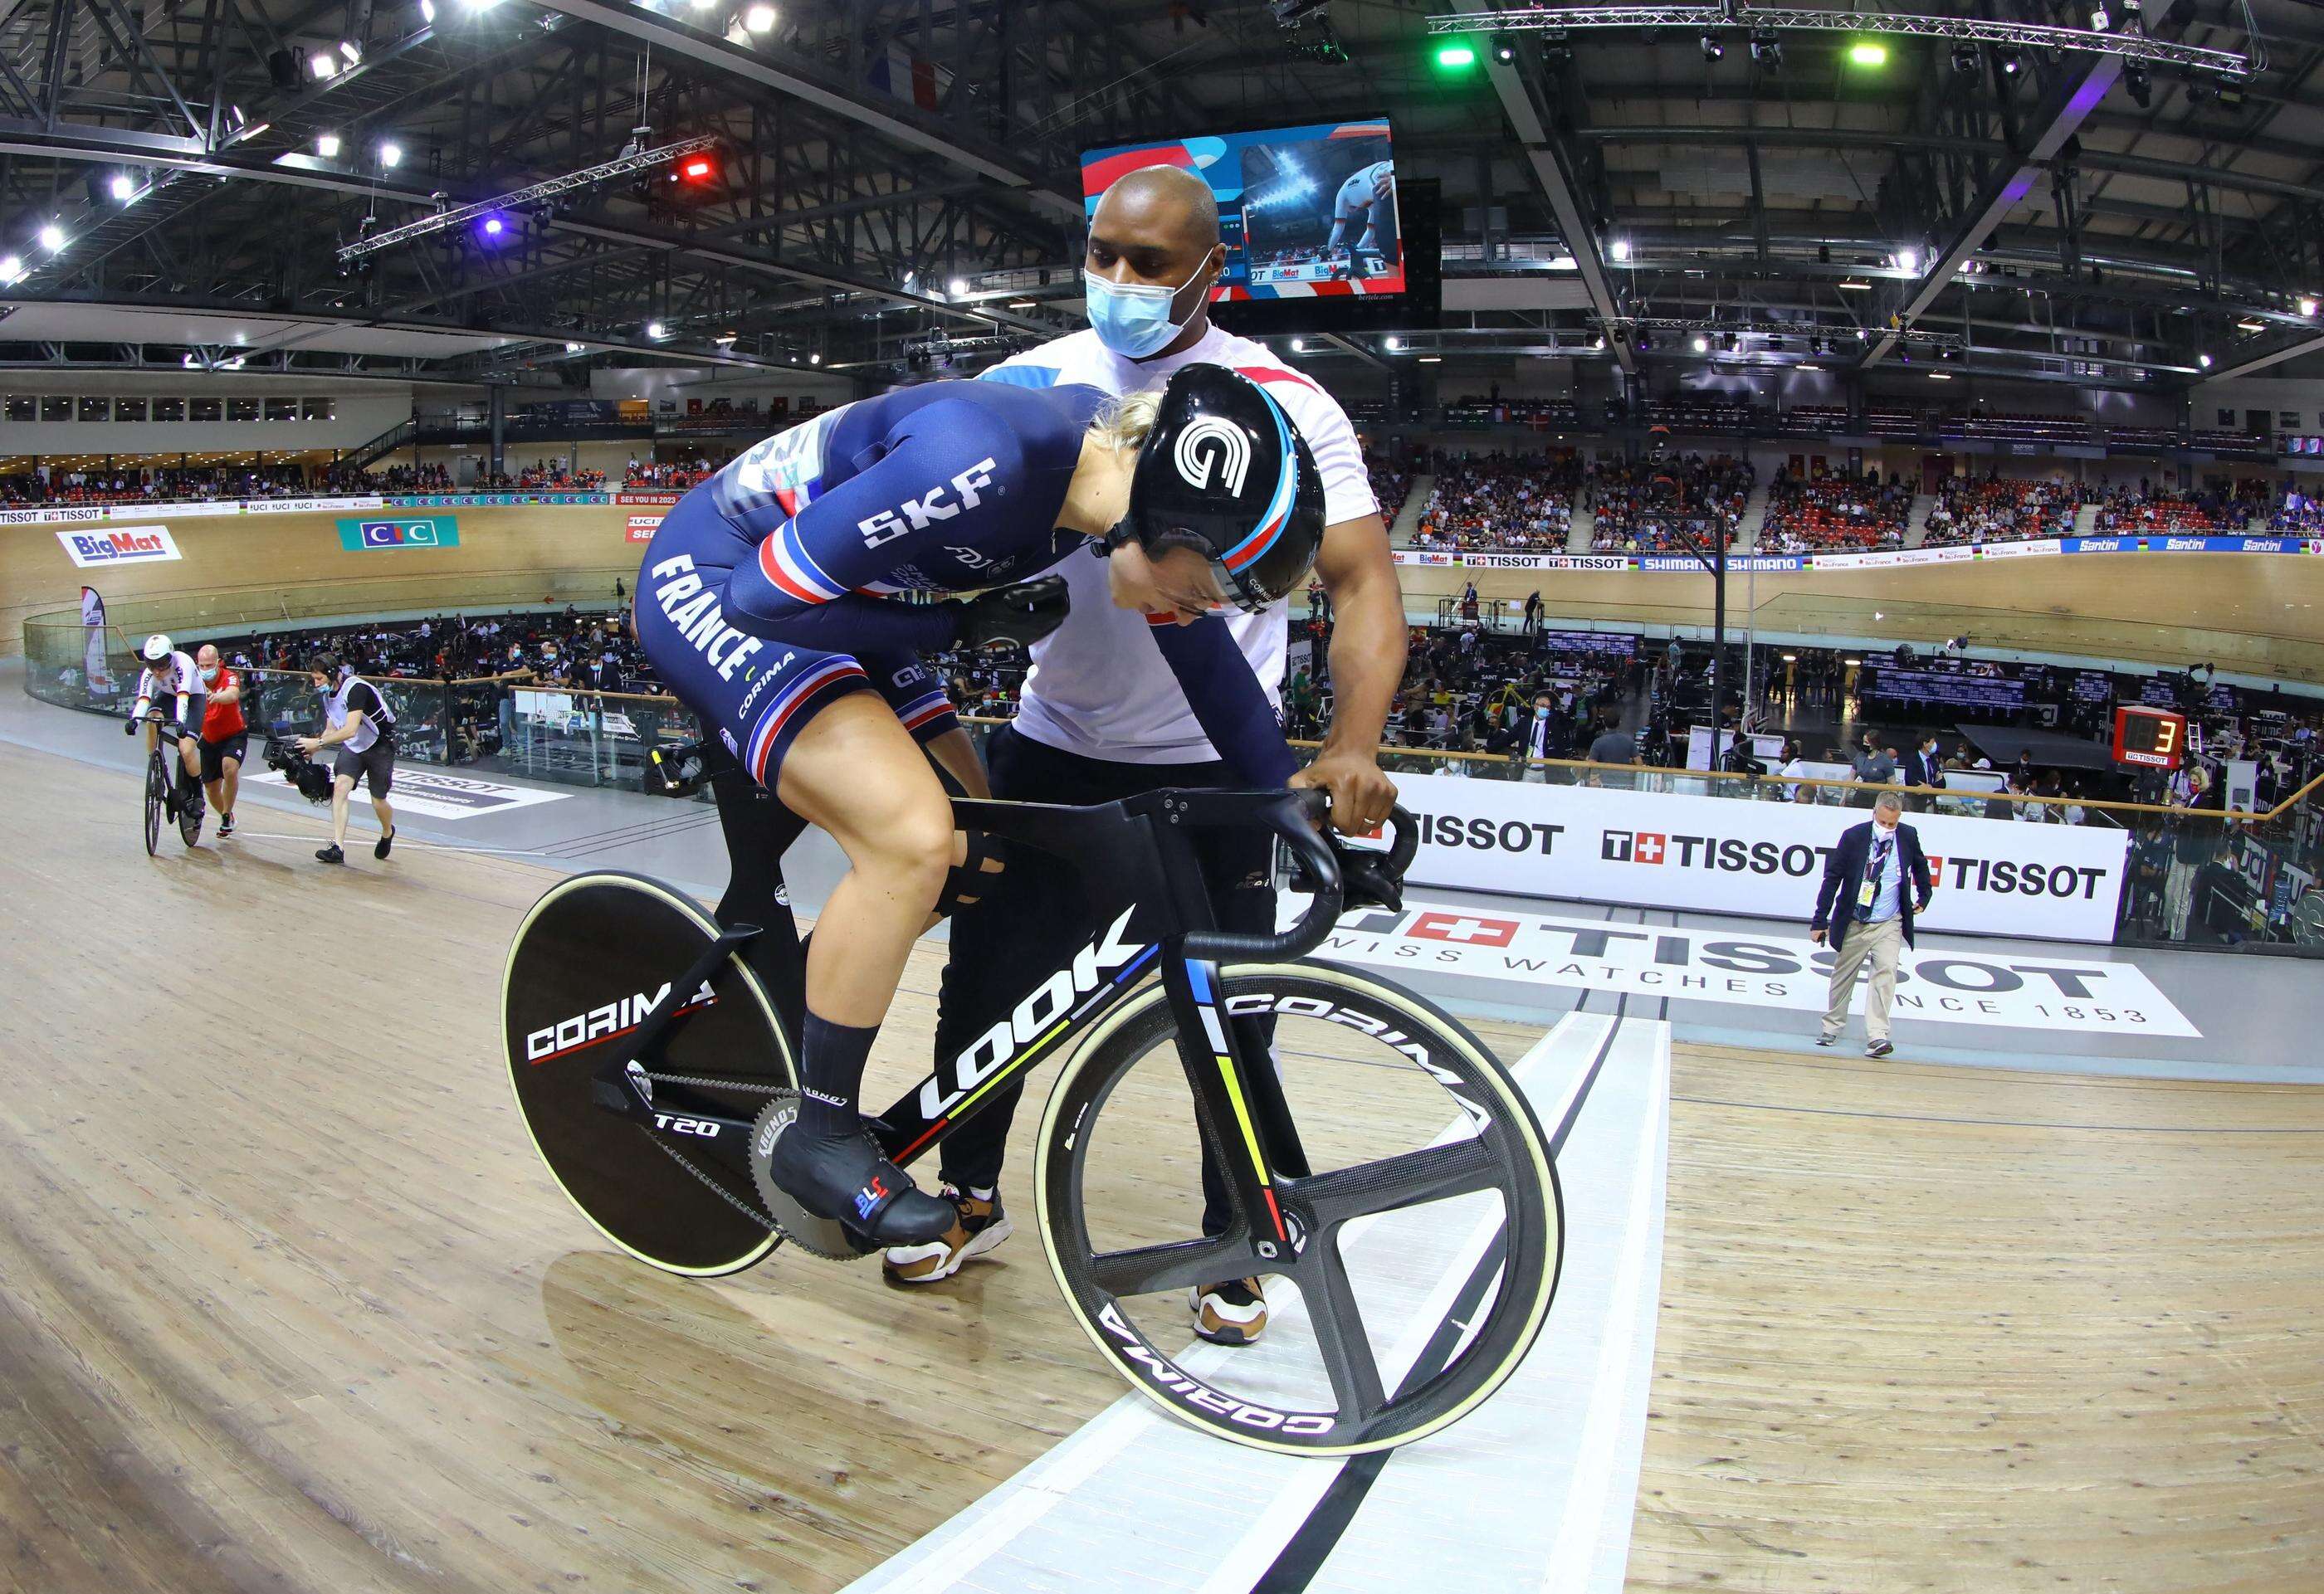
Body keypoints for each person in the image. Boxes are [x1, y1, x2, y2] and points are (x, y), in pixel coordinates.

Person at [636, 361, 1327, 1256]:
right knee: (912, 838)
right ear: (1164, 517)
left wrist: (1286, 806)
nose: (1204, 611)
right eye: (1209, 588)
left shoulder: (1106, 488)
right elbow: (759, 599)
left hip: (844, 606)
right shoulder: (989, 458)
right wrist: (954, 630)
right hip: (726, 583)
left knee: (986, 829)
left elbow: (1206, 668)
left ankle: (790, 993)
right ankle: (824, 1132)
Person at [916, 163, 1403, 1343]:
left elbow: (1364, 580)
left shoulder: (1288, 399)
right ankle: (964, 1192)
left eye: (1149, 264)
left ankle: (1231, 1240)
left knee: (1229, 1024)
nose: (1119, 284)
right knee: (983, 985)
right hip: (1054, 743)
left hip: (1218, 766)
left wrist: (1352, 743)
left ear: (1210, 273)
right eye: (1103, 256)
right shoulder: (1032, 379)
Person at [1809, 792, 1932, 1059]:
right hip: (1855, 921)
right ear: (1874, 813)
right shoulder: (1853, 837)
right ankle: (1832, 1026)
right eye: (1884, 822)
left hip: (1889, 921)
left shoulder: (1908, 836)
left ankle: (1877, 1036)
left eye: (1893, 824)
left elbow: (1921, 867)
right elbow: (1832, 878)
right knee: (1844, 976)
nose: (1888, 828)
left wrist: (1925, 896)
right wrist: (1820, 919)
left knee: (1886, 972)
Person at [296, 651, 398, 865]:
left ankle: (387, 831)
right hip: (354, 747)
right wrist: (313, 748)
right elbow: (332, 728)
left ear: (332, 674)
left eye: (319, 679)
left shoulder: (355, 689)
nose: (315, 684)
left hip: (379, 744)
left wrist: (319, 744)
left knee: (378, 800)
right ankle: (337, 847)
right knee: (340, 787)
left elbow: (350, 729)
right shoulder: (327, 696)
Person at [124, 634, 205, 809]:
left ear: (170, 659)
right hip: (169, 697)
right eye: (152, 666)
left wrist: (180, 723)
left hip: (193, 699)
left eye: (161, 665)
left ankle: (199, 794)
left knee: (186, 748)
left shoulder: (182, 663)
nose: (157, 672)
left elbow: (183, 697)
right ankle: (157, 769)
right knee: (152, 720)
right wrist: (134, 722)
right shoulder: (149, 673)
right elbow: (144, 700)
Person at [193, 644, 247, 838]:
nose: (206, 670)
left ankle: (226, 814)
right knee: (211, 788)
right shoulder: (195, 680)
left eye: (210, 665)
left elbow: (232, 694)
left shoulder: (229, 676)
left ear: (218, 662)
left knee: (229, 766)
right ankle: (228, 816)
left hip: (233, 734)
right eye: (202, 666)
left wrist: (216, 696)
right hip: (209, 738)